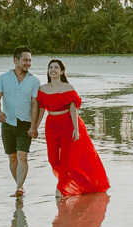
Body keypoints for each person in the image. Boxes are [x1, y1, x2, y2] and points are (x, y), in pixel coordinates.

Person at [34, 59, 109, 200]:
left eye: (56, 67)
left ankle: (60, 189)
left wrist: (76, 129)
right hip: (51, 125)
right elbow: (41, 110)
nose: (53, 70)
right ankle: (79, 184)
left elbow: (73, 109)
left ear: (62, 71)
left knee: (68, 160)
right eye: (51, 67)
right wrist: (35, 128)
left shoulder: (68, 88)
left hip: (69, 124)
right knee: (53, 159)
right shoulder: (43, 89)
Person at [0, 47, 41, 198]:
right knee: (12, 157)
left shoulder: (34, 81)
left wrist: (34, 126)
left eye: (30, 60)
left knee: (22, 156)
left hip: (25, 124)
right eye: (25, 60)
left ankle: (19, 188)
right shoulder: (3, 78)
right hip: (8, 123)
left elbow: (35, 104)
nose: (28, 63)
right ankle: (19, 185)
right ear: (16, 60)